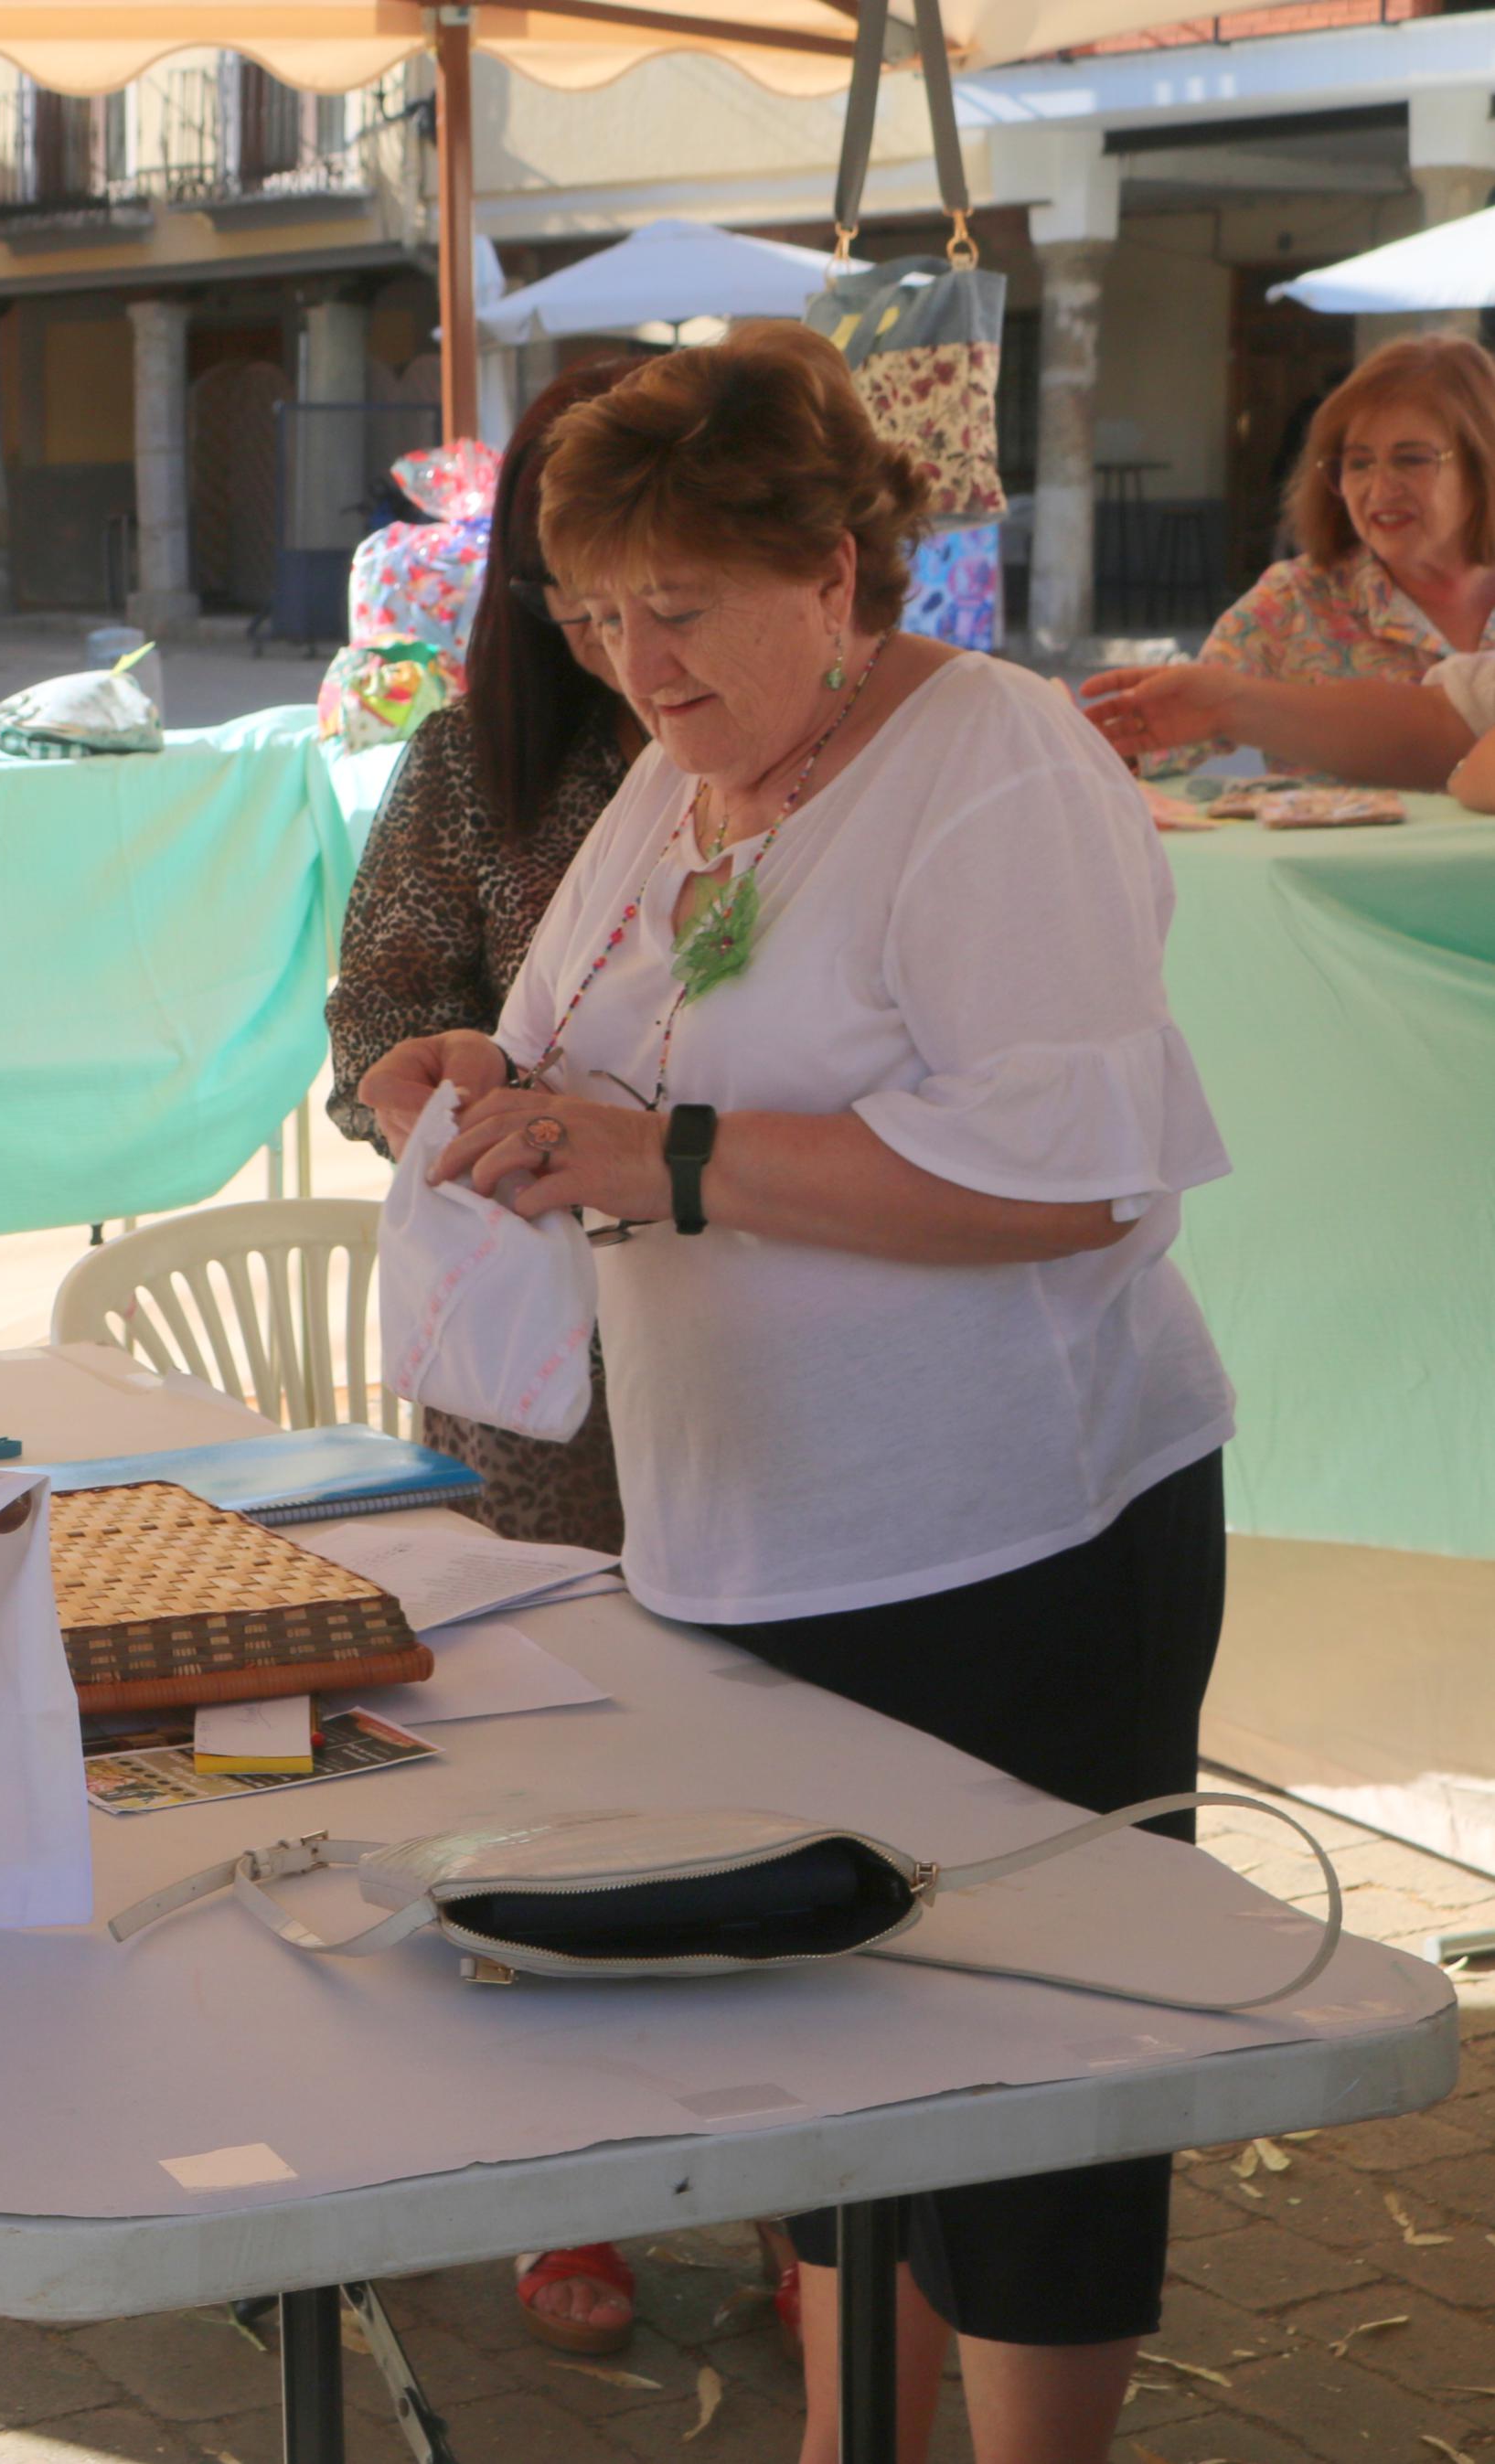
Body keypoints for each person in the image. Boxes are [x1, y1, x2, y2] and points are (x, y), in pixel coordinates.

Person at [359, 322, 1234, 2464]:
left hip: (1006, 1540)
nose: (631, 664)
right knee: (832, 2059)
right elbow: (597, 1048)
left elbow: (1065, 1173)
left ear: (834, 572)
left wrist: (665, 1161)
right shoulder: (681, 774)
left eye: (677, 610)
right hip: (748, 1534)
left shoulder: (993, 764)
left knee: (1031, 2068)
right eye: (588, 613)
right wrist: (471, 1079)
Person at [325, 358, 653, 2363]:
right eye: (580, 565)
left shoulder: (814, 758)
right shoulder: (468, 763)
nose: (624, 619)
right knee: (558, 1743)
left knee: (751, 1720)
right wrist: (417, 1083)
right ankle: (573, 2163)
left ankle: (796, 2158)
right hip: (533, 1352)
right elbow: (375, 997)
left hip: (762, 1324)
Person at [1078, 332, 1495, 780]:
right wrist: (1092, 742)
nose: (1378, 489)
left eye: (1410, 459)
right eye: (1357, 463)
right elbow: (1174, 729)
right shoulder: (1293, 603)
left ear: (1481, 462)